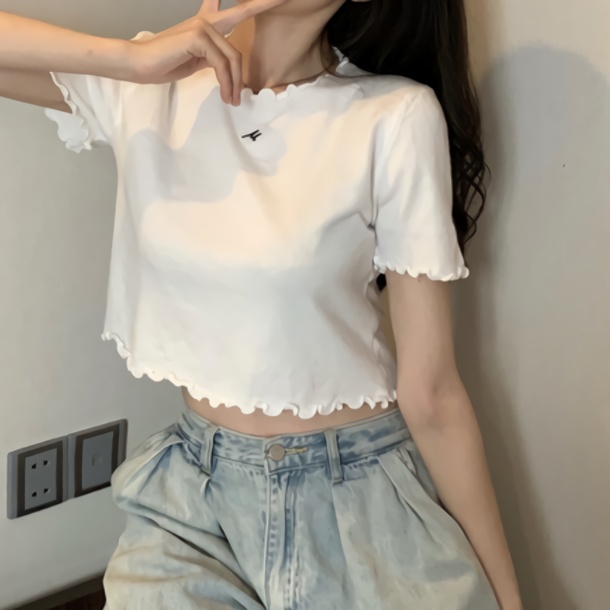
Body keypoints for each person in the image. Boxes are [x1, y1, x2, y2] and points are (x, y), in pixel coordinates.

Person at [0, 1, 524, 608]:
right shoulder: (151, 85)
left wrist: (508, 599)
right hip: (193, 505)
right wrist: (129, 58)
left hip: (360, 504)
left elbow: (432, 393)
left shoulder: (394, 114)